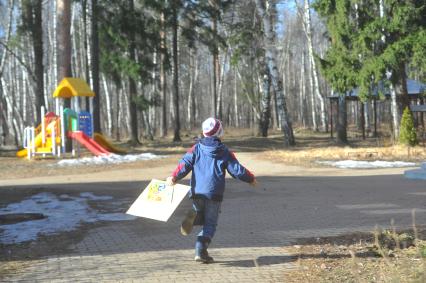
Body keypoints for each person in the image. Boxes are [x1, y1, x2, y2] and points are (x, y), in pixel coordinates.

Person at [166, 117, 256, 263]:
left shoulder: (196, 148)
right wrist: (250, 178)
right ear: (220, 133)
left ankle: (194, 217)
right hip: (214, 193)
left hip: (197, 191)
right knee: (210, 223)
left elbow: (184, 164)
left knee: (200, 211)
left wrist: (174, 177)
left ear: (204, 132)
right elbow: (237, 170)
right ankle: (200, 250)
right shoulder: (224, 151)